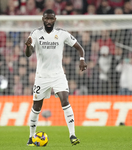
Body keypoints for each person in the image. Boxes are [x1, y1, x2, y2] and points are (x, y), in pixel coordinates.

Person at [25, 9, 87, 146]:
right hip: (41, 76)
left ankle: (72, 135)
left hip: (58, 75)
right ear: (42, 19)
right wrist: (28, 46)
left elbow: (79, 48)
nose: (48, 21)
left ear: (55, 19)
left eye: (51, 19)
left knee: (65, 100)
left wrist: (82, 58)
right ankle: (30, 137)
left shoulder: (62, 34)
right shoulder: (36, 34)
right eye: (46, 19)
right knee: (36, 106)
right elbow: (28, 54)